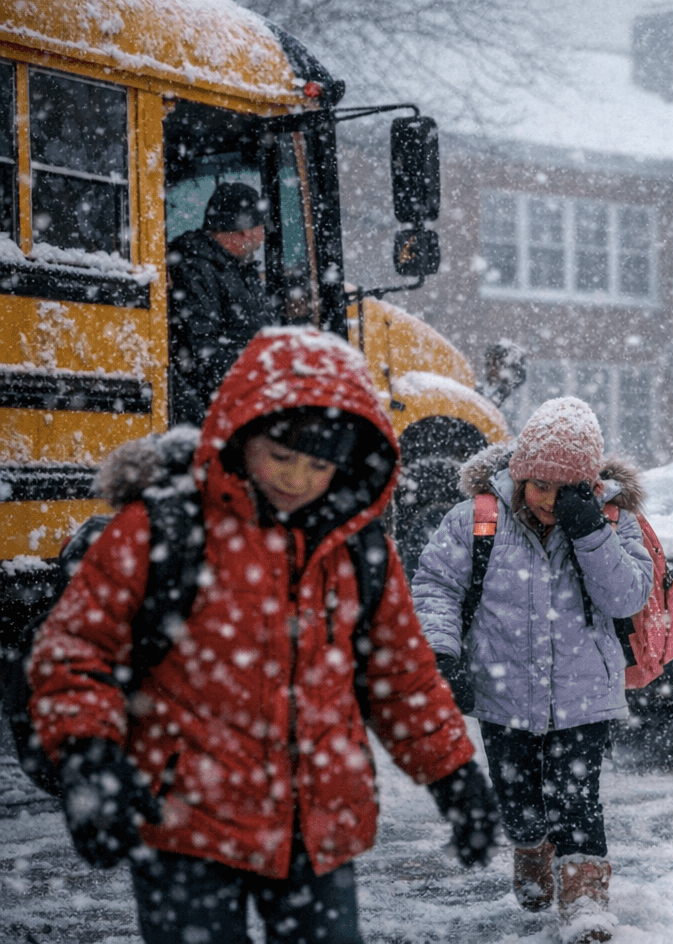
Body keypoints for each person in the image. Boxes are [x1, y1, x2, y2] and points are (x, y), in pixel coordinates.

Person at [27, 327, 499, 944]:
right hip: (187, 823)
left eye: (320, 465)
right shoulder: (166, 528)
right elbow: (73, 653)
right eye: (282, 456)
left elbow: (401, 678)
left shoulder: (360, 551)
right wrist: (89, 758)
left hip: (318, 828)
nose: (299, 480)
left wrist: (454, 776)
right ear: (242, 433)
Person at [411, 396, 651, 944]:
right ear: (518, 475)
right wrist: (441, 653)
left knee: (577, 794)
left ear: (587, 487)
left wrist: (591, 534)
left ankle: (586, 896)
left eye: (562, 488)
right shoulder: (478, 518)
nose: (546, 498)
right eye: (536, 484)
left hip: (582, 693)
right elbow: (435, 587)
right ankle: (530, 844)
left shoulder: (612, 520)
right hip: (502, 692)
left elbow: (626, 596)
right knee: (516, 795)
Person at [166, 181, 281, 426]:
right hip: (223, 411)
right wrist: (261, 375)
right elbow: (202, 354)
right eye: (261, 228)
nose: (261, 238)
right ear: (245, 231)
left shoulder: (234, 268)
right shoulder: (196, 269)